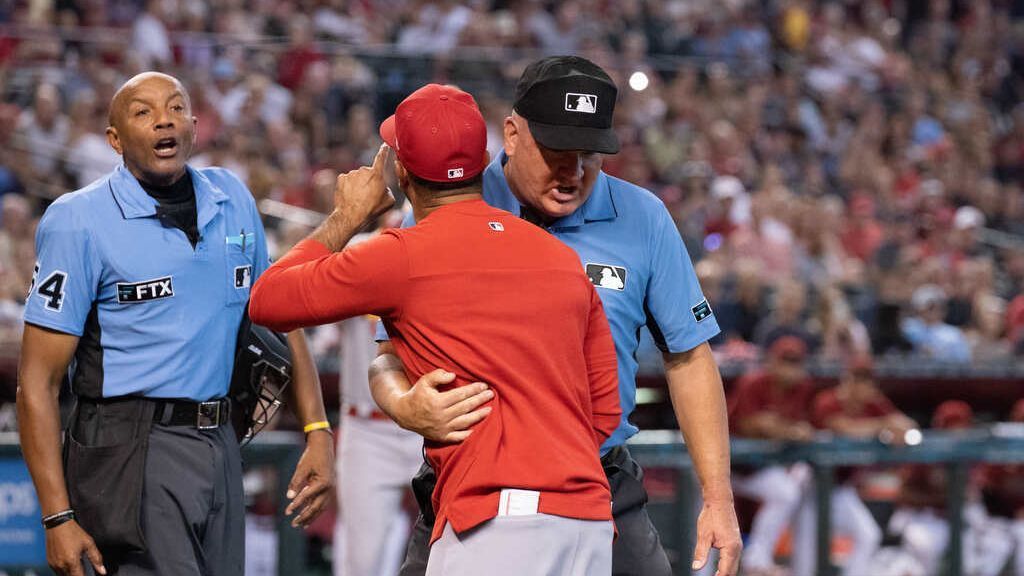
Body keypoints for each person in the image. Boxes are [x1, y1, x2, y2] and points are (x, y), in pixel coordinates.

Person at [369, 56, 741, 576]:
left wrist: (718, 498)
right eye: (556, 152)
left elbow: (689, 358)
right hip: (473, 482)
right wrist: (403, 404)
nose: (573, 171)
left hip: (599, 479)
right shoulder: (447, 204)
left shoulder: (642, 218)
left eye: (590, 154)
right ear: (513, 134)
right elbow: (387, 356)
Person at [249, 83, 621, 575]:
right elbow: (605, 412)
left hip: (498, 523)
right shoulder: (559, 256)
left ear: (400, 171)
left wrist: (347, 216)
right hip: (588, 523)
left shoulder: (398, 254)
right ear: (484, 157)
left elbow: (268, 300)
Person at [16, 72, 334, 576]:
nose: (163, 118)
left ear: (193, 123)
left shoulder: (231, 195)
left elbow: (282, 313)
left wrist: (318, 429)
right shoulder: (76, 220)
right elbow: (37, 381)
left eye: (176, 107)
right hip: (130, 446)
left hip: (222, 441)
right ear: (114, 140)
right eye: (143, 112)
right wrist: (57, 516)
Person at [332, 231, 422, 576]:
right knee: (361, 561)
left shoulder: (435, 252)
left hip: (427, 427)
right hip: (367, 428)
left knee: (452, 547)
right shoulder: (361, 252)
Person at [791, 355, 916, 576]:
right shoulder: (827, 400)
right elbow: (841, 427)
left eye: (866, 381)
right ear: (846, 379)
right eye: (857, 379)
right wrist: (882, 426)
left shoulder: (875, 404)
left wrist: (892, 426)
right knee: (806, 558)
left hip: (840, 487)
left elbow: (909, 427)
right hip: (810, 482)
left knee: (868, 535)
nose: (862, 386)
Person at [726, 336, 816, 576]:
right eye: (785, 360)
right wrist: (786, 430)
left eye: (795, 362)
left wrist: (788, 429)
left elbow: (803, 428)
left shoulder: (802, 387)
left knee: (789, 490)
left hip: (758, 468)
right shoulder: (752, 382)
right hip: (722, 467)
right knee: (702, 525)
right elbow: (751, 424)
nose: (790, 367)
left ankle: (757, 560)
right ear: (771, 361)